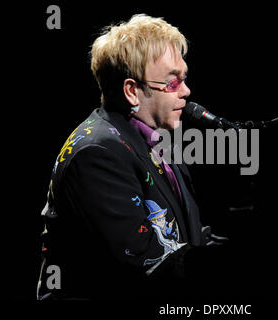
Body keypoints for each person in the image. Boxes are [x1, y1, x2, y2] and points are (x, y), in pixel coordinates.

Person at [37, 14, 215, 300]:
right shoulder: (97, 154)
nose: (186, 91)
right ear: (132, 91)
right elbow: (141, 265)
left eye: (184, 79)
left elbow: (185, 232)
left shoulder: (155, 134)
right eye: (172, 83)